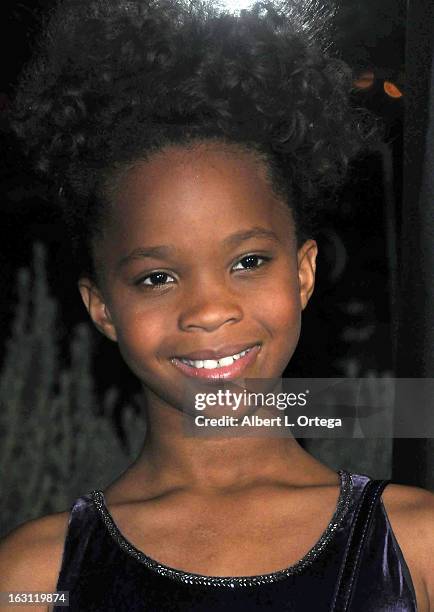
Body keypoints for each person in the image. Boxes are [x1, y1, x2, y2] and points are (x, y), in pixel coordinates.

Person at [1, 0, 433, 610]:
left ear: (304, 273)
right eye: (156, 277)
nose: (208, 309)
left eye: (248, 262)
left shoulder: (416, 548)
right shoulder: (33, 578)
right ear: (101, 308)